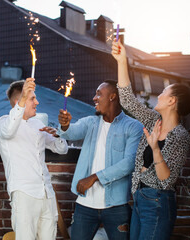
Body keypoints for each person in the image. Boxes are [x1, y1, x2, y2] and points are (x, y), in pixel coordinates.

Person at [111, 40, 190, 240]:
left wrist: (155, 149)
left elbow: (166, 180)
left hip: (158, 202)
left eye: (164, 92)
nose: (159, 95)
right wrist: (121, 61)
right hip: (139, 199)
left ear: (172, 101)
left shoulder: (180, 136)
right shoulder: (155, 121)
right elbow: (128, 101)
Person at [57, 80, 143, 240]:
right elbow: (71, 133)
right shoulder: (90, 122)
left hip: (116, 206)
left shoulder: (133, 127)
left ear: (112, 97)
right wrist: (65, 125)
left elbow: (129, 163)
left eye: (99, 94)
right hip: (85, 204)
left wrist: (94, 177)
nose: (94, 98)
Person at [0, 78, 68, 240]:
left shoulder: (37, 124)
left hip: (46, 193)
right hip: (24, 193)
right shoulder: (2, 123)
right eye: (32, 98)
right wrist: (23, 98)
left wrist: (59, 133)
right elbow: (8, 131)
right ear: (18, 101)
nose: (37, 102)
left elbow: (62, 149)